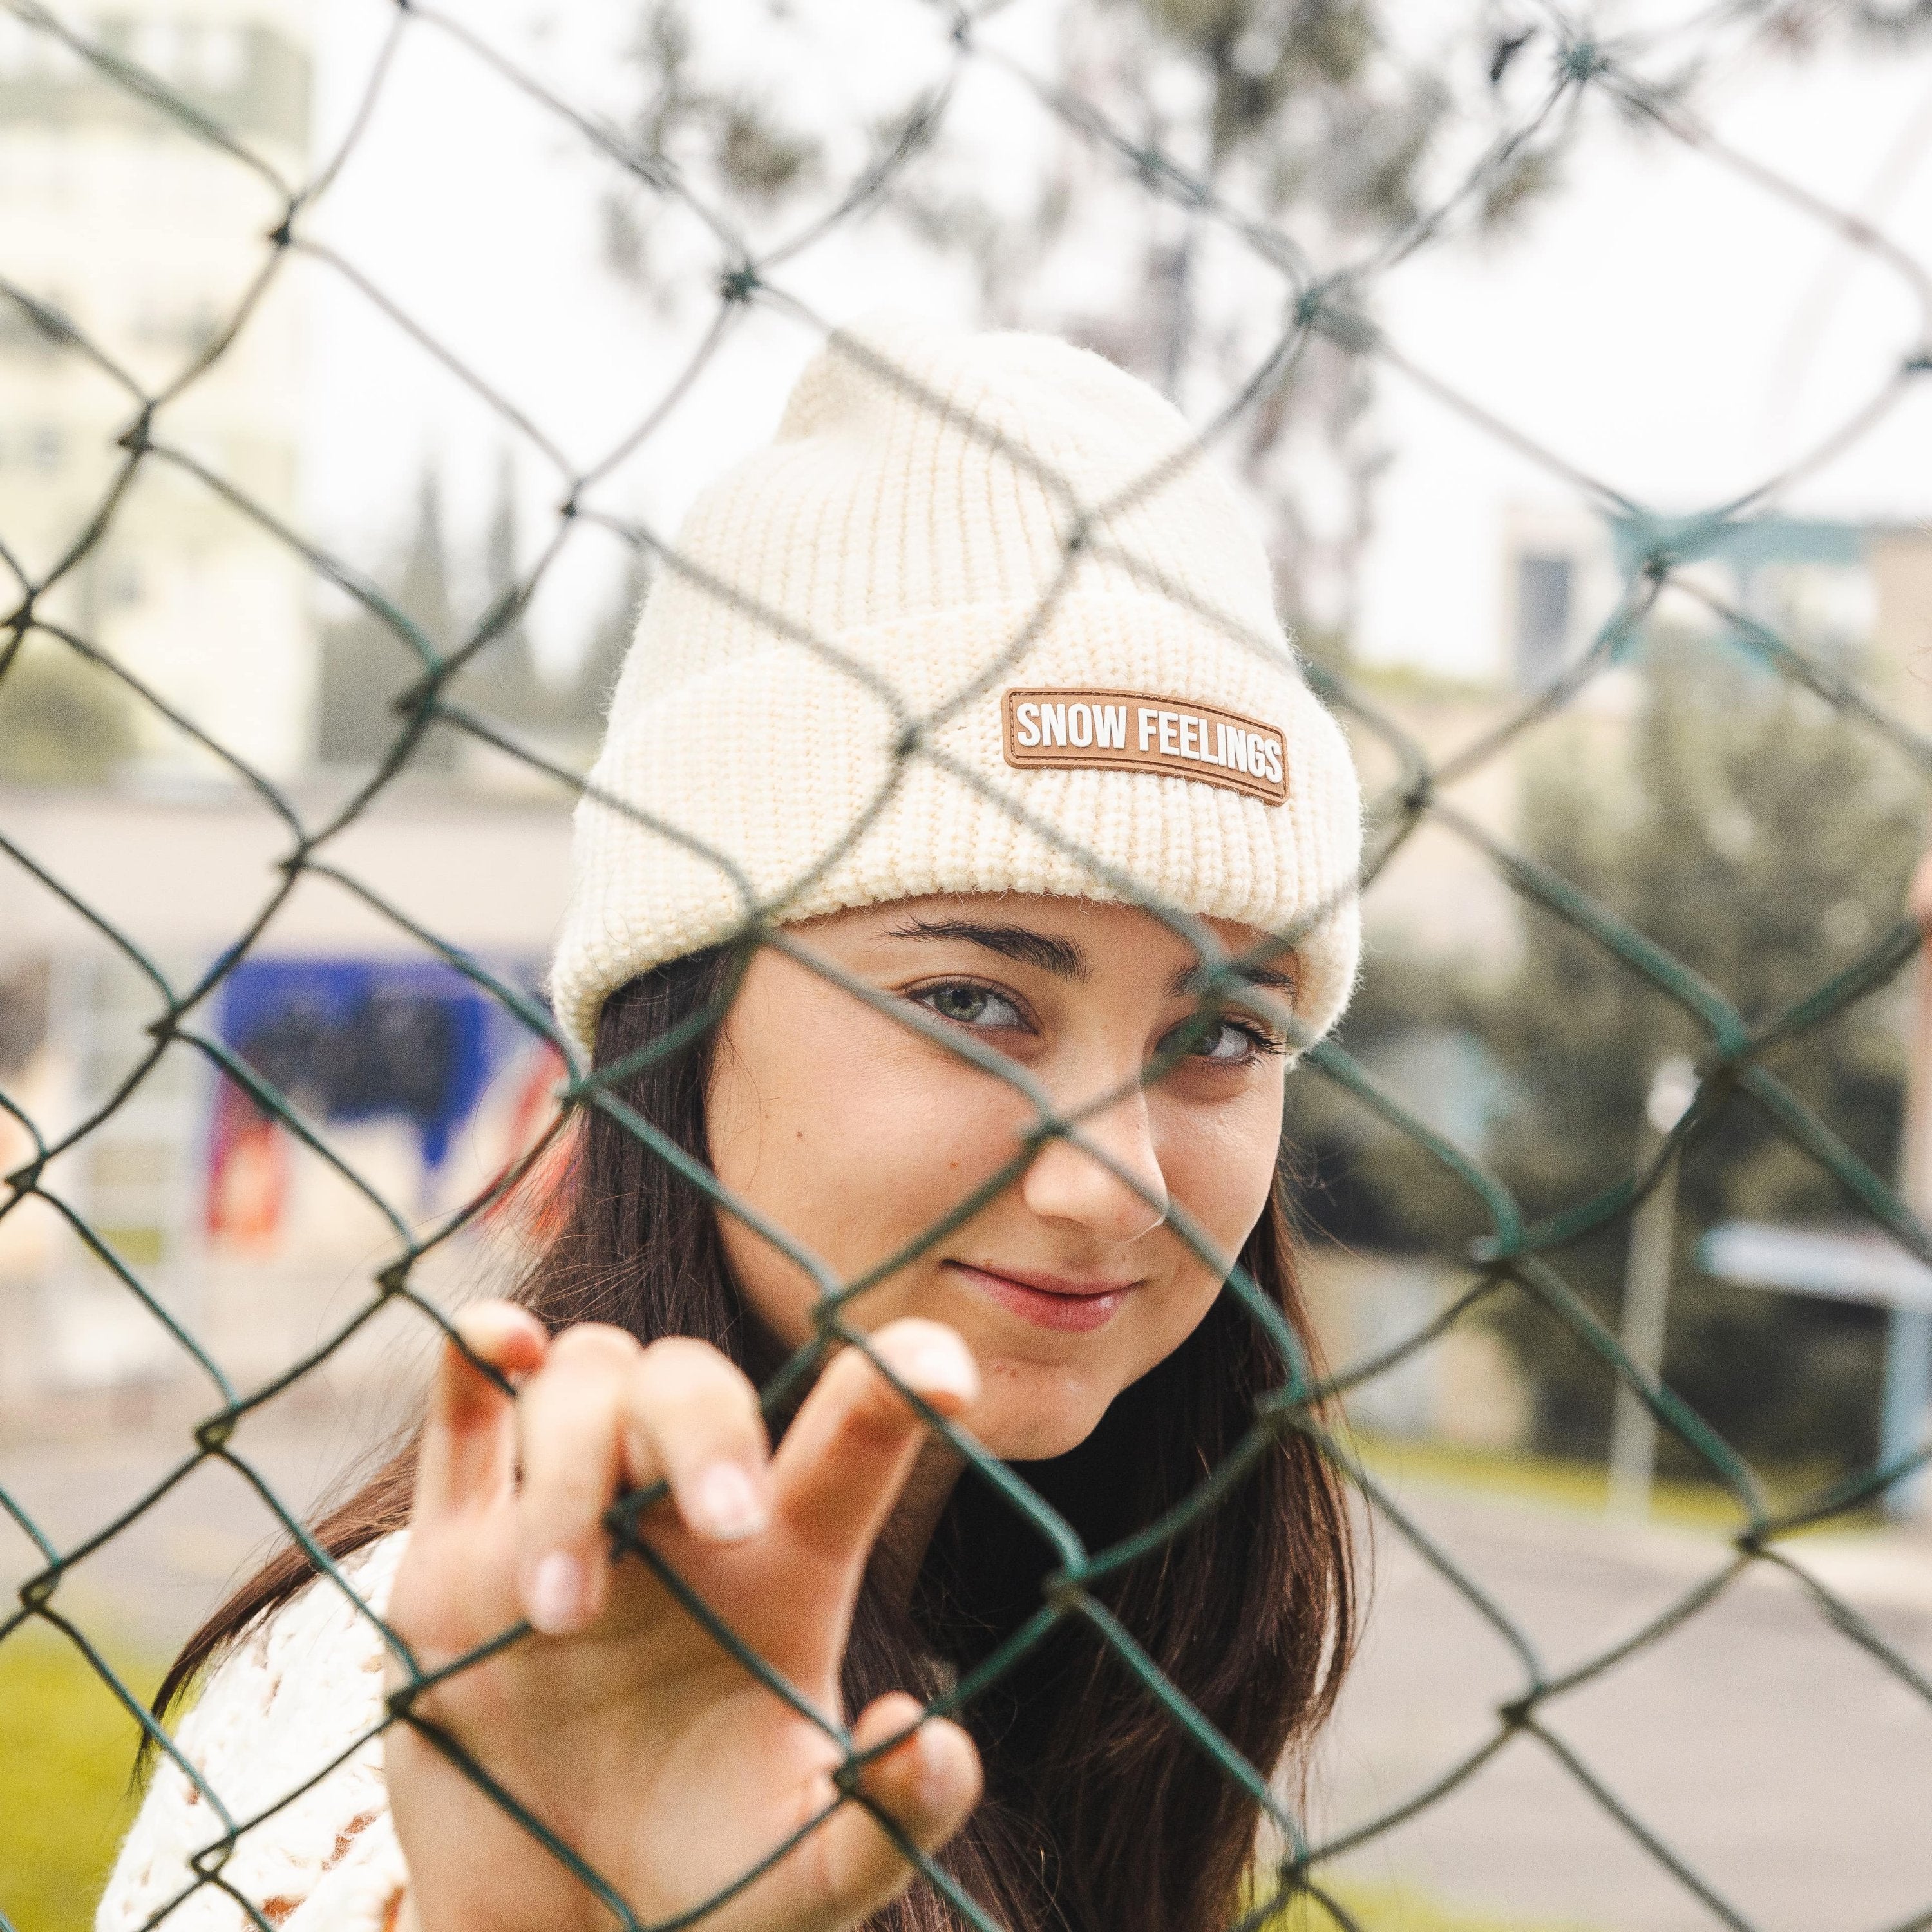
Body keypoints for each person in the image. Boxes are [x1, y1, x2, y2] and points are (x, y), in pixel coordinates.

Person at [99, 310, 1365, 1932]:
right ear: (675, 1026)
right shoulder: (437, 1687)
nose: (1113, 1184)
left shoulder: (1086, 1658)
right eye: (975, 1001)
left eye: (1223, 1033)